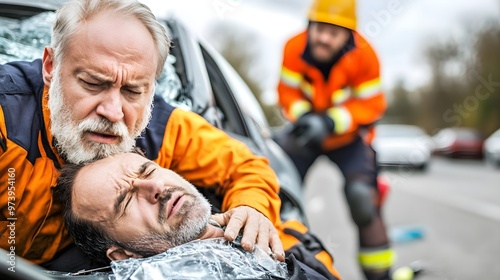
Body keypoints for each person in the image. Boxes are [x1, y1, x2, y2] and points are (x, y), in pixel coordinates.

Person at [0, 0, 284, 272]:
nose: (113, 112)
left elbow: (245, 166)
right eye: (93, 83)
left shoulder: (161, 127)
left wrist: (251, 208)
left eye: (132, 91)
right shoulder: (6, 117)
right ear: (50, 66)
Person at [53, 152, 334, 280]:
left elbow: (246, 164)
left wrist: (253, 207)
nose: (155, 188)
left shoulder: (278, 233)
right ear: (123, 256)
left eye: (148, 171)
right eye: (126, 201)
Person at [275, 0, 394, 279]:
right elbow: (286, 94)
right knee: (277, 191)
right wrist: (305, 118)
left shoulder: (366, 56)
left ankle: (380, 274)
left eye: (334, 32)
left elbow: (372, 106)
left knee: (362, 199)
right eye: (320, 29)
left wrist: (330, 122)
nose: (324, 38)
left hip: (348, 138)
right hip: (305, 134)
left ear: (349, 35)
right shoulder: (293, 48)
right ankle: (277, 264)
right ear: (310, 25)